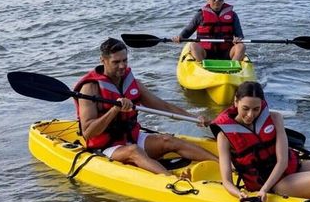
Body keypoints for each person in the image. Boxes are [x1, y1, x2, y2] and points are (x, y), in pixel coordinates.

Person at [75, 38, 214, 174]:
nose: (122, 66)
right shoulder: (90, 88)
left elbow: (164, 106)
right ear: (103, 61)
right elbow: (88, 132)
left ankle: (224, 164)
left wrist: (195, 118)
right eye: (116, 62)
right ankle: (172, 181)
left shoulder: (131, 82)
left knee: (168, 140)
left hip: (132, 138)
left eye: (125, 60)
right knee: (134, 151)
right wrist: (114, 109)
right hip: (106, 147)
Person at [174, 0, 245, 62]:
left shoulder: (233, 15)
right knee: (193, 45)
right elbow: (188, 31)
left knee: (241, 47)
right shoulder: (200, 15)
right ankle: (202, 67)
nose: (217, 0)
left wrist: (238, 39)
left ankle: (232, 69)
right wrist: (180, 37)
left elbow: (239, 35)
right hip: (205, 53)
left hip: (226, 52)